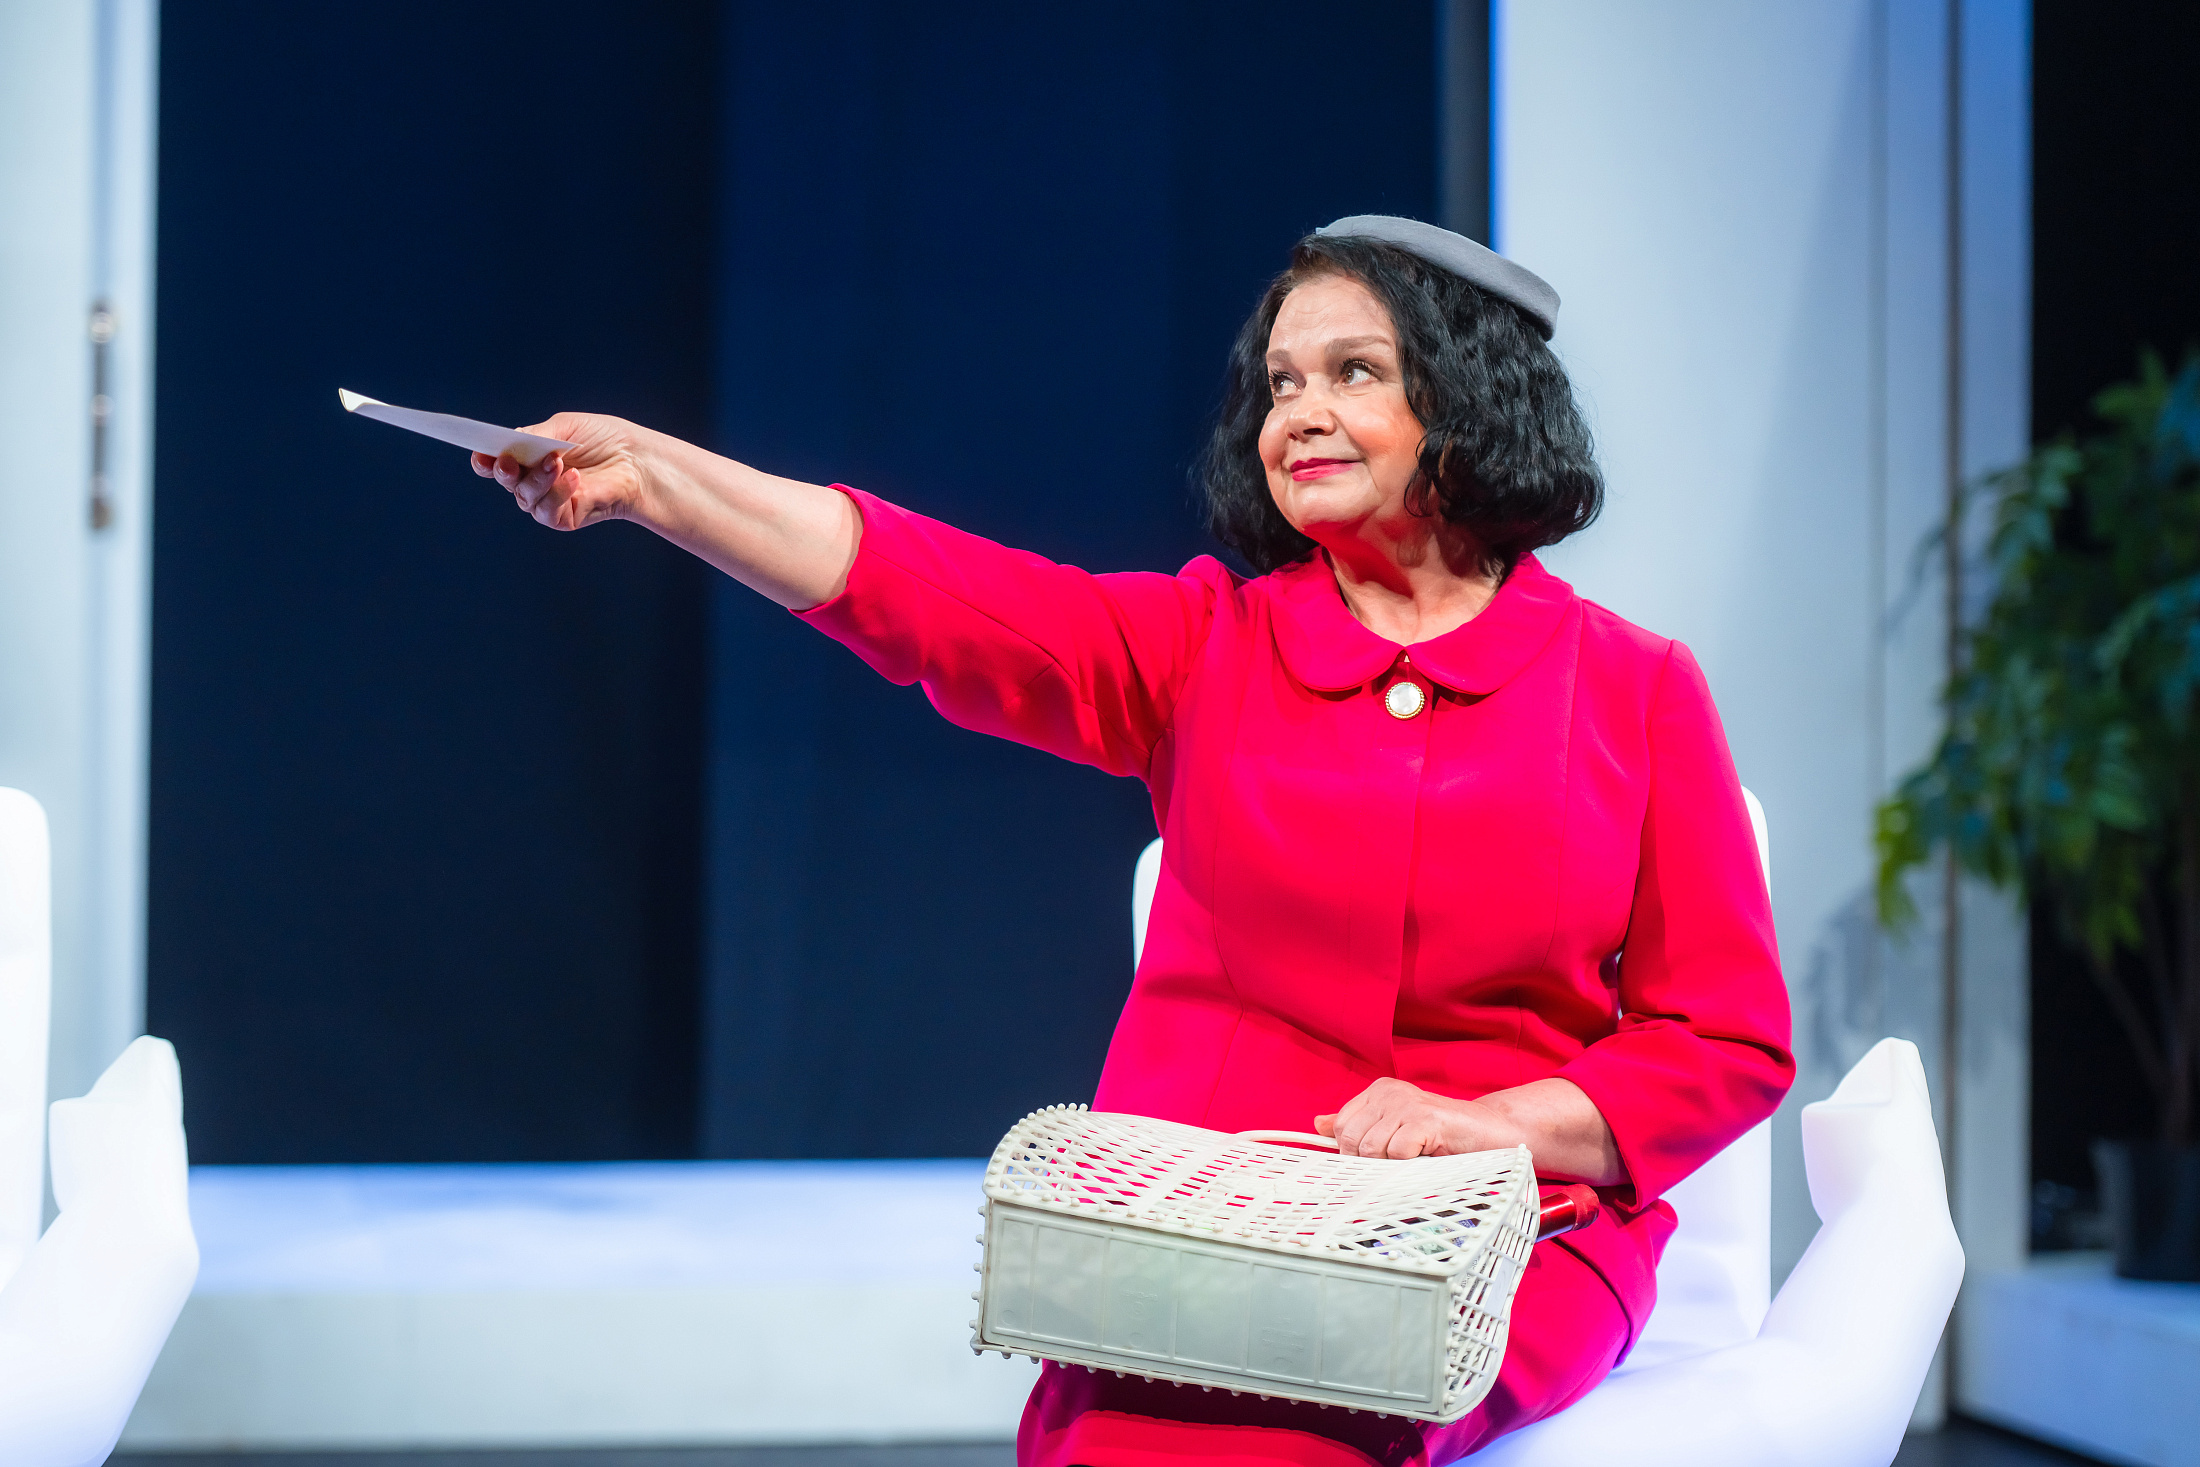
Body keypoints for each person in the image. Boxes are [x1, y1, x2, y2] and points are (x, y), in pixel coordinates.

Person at [474, 216, 1793, 1467]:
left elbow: (1725, 1039)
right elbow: (929, 595)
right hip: (1202, 1230)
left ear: (1471, 401)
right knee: (1108, 1431)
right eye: (1281, 383)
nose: (1299, 413)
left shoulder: (1635, 690)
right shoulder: (1207, 644)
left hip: (1505, 1234)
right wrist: (657, 479)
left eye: (1353, 372)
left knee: (1330, 1403)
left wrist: (1491, 1125)